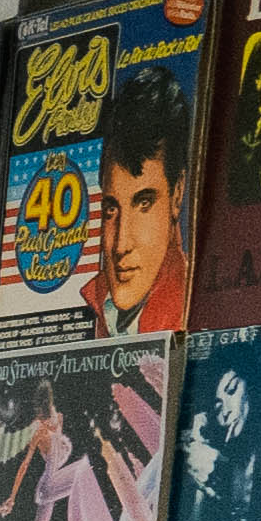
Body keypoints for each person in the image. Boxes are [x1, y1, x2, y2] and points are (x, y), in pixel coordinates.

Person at [92, 78, 193, 337]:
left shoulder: (188, 308)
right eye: (111, 210)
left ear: (177, 194)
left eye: (143, 203)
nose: (121, 245)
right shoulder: (96, 309)